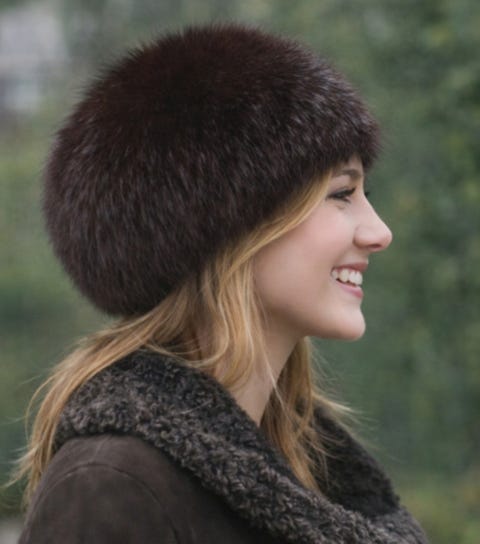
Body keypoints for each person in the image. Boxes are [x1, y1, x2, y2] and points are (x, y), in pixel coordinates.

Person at [17, 22, 428, 543]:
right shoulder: (112, 485)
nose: (379, 232)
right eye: (341, 194)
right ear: (230, 225)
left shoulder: (320, 479)